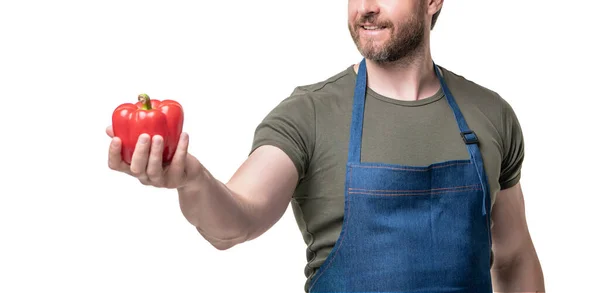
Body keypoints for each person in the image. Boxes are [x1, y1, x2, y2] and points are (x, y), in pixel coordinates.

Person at [106, 0, 545, 292]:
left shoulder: (491, 115)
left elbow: (513, 257)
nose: (366, 8)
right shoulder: (309, 114)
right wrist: (194, 180)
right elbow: (234, 223)